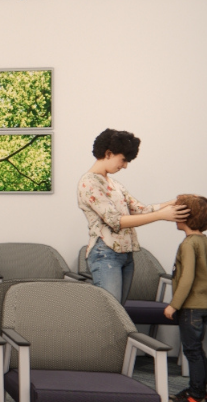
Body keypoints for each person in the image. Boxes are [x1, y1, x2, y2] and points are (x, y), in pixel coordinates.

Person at [77, 129, 188, 304]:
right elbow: (116, 221)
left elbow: (139, 209)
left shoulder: (115, 184)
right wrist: (160, 215)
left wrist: (171, 203)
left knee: (119, 312)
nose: (125, 166)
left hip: (125, 255)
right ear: (108, 153)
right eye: (123, 160)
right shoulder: (89, 183)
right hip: (106, 254)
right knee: (112, 314)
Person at [164, 194, 207, 402]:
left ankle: (197, 395)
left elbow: (187, 276)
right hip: (204, 305)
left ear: (185, 217)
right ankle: (200, 390)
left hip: (191, 308)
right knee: (197, 350)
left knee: (192, 351)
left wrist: (174, 304)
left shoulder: (189, 244)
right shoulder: (204, 241)